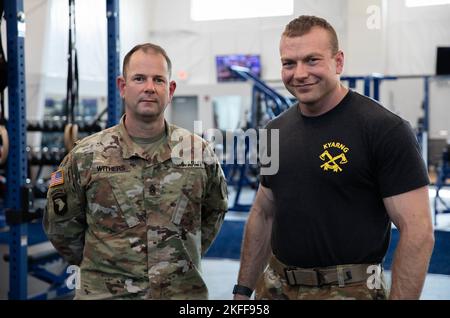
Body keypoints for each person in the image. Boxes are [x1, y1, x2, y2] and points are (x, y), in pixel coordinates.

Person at [233, 15, 434, 300]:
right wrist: (242, 291)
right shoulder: (274, 131)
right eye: (289, 63)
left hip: (350, 290)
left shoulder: (385, 129)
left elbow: (418, 231)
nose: (299, 73)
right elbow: (264, 212)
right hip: (276, 287)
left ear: (338, 62)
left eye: (312, 60)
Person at [44, 43, 228, 299]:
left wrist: (179, 259)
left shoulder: (198, 153)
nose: (149, 87)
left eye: (158, 80)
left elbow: (214, 212)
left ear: (171, 89)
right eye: (139, 78)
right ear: (123, 86)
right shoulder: (85, 156)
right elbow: (60, 227)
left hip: (180, 293)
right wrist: (103, 267)